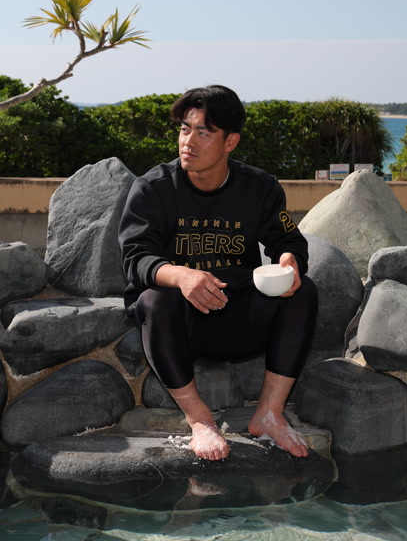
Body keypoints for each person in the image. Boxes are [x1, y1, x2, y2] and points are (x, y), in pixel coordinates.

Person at [119, 85, 318, 461]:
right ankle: (200, 420)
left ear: (231, 142)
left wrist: (289, 260)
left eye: (203, 132)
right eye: (185, 129)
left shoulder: (259, 188)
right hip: (181, 329)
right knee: (154, 300)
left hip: (240, 318)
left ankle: (269, 414)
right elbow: (135, 257)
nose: (188, 141)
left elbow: (287, 240)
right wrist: (181, 276)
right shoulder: (153, 189)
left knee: (303, 290)